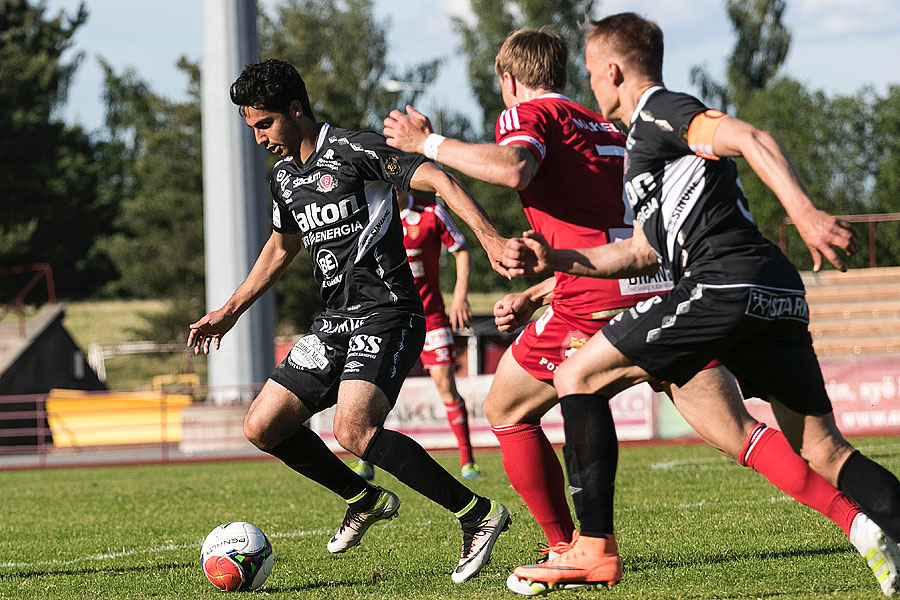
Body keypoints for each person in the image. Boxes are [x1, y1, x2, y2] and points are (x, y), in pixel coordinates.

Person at [384, 28, 900, 596]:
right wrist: (542, 279)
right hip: (683, 286)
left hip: (646, 294)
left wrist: (428, 144)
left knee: (523, 400)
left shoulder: (567, 114)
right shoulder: (611, 132)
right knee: (772, 439)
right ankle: (859, 521)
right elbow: (637, 243)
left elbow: (514, 168)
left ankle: (575, 546)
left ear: (509, 81)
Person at [187, 59, 511, 584]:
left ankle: (476, 515)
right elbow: (280, 248)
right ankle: (361, 498)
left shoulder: (356, 151)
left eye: (264, 124)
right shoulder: (285, 178)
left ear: (295, 110)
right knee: (262, 426)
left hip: (388, 312)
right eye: (252, 129)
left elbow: (439, 179)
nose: (259, 138)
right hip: (334, 320)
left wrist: (492, 240)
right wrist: (227, 312)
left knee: (353, 431)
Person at [352, 188, 482, 481]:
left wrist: (460, 295)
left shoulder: (431, 214)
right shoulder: (371, 219)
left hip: (431, 319)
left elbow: (461, 250)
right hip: (390, 320)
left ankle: (467, 460)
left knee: (446, 387)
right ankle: (366, 460)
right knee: (374, 390)